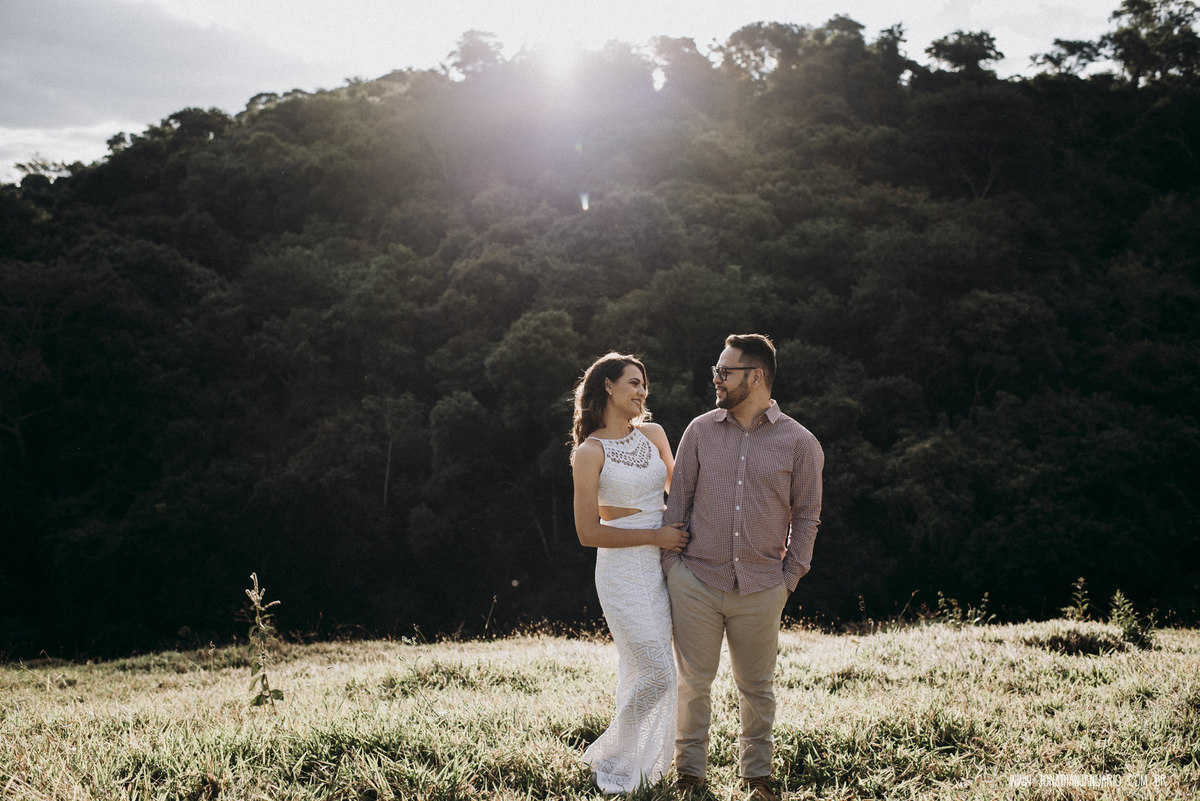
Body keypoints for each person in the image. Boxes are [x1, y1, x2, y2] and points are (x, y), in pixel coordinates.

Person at [662, 334, 824, 801]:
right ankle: (689, 776)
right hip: (695, 579)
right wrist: (673, 567)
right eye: (716, 371)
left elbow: (807, 515)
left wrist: (789, 578)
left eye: (724, 372)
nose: (715, 379)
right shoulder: (699, 430)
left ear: (755, 377)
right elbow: (678, 504)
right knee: (694, 683)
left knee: (757, 687)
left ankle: (758, 779)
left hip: (761, 585)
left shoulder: (800, 443)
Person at [571, 352, 691, 794]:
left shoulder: (655, 433)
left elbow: (678, 495)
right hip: (622, 572)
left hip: (664, 568)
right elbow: (588, 532)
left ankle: (642, 761)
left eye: (644, 384)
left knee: (647, 669)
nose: (642, 391)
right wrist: (654, 537)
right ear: (608, 386)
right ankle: (611, 751)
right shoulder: (589, 452)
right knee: (658, 671)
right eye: (634, 383)